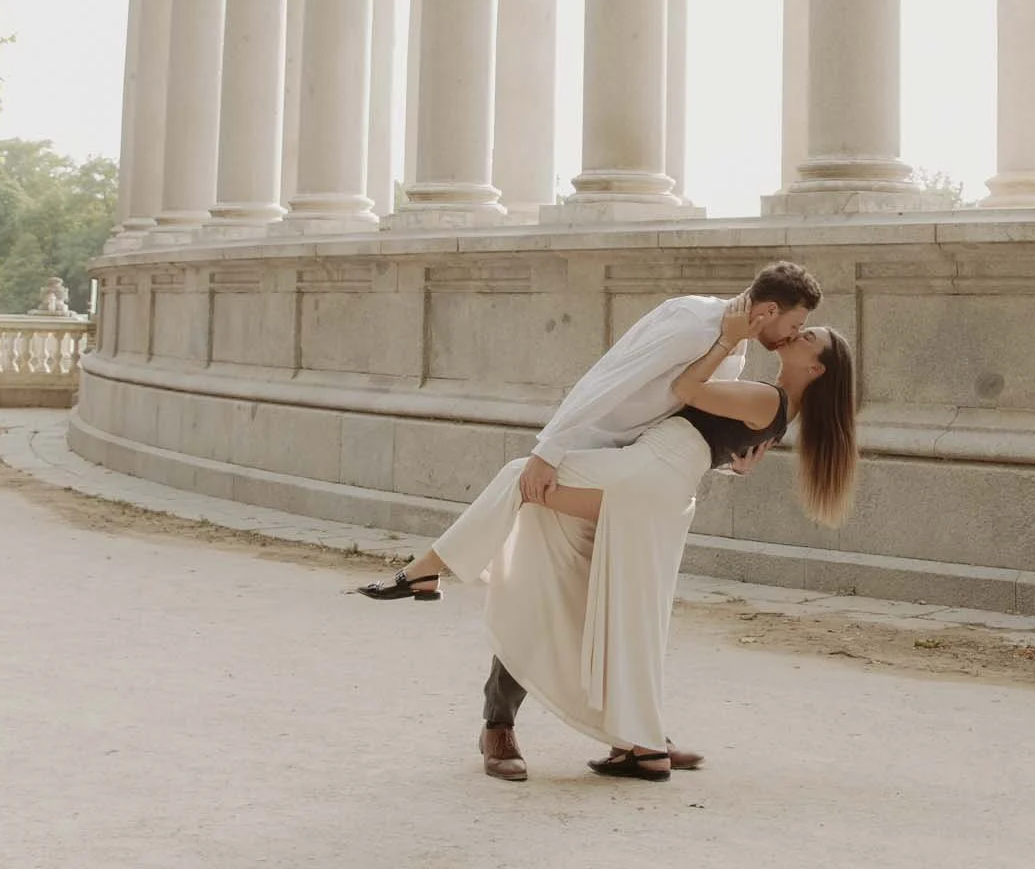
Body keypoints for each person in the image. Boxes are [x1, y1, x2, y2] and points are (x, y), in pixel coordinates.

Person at [359, 263, 854, 781]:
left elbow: (690, 395)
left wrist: (724, 351)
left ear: (813, 366)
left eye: (805, 335)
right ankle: (627, 739)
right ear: (769, 311)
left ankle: (428, 572)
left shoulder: (744, 362)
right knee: (600, 602)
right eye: (799, 325)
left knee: (528, 499)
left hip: (637, 480)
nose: (796, 335)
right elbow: (613, 383)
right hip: (628, 473)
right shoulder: (698, 328)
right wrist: (554, 447)